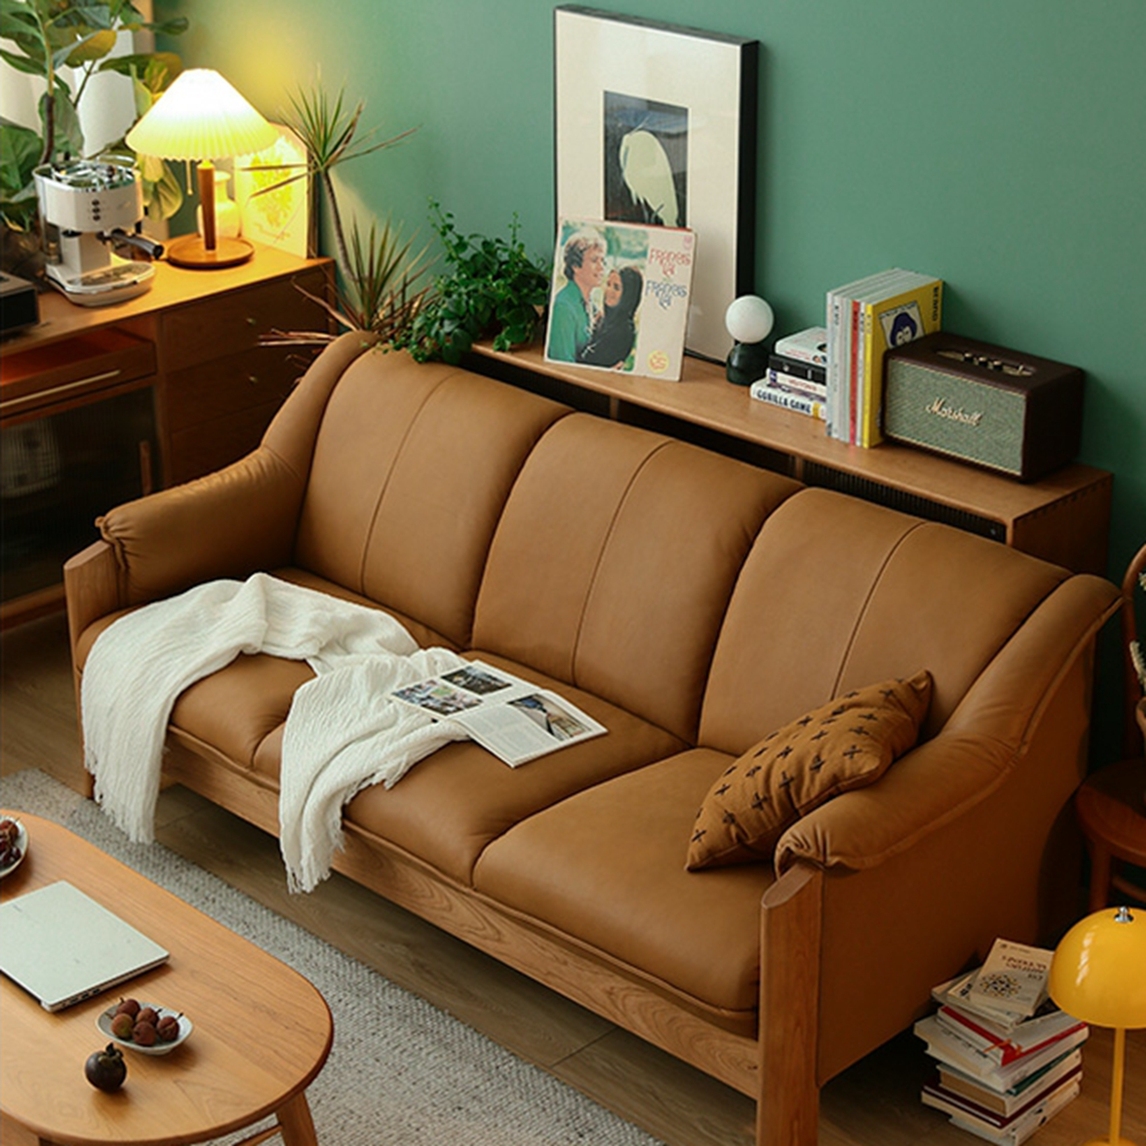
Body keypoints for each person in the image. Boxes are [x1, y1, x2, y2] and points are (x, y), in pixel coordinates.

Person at [547, 229, 606, 363]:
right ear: (575, 266)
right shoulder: (563, 307)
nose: (601, 267)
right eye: (594, 260)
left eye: (602, 260)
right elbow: (562, 364)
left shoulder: (591, 305)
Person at [579, 265, 643, 369]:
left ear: (628, 294)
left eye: (616, 287)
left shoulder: (623, 330)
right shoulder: (605, 318)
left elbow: (588, 361)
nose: (609, 291)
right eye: (608, 284)